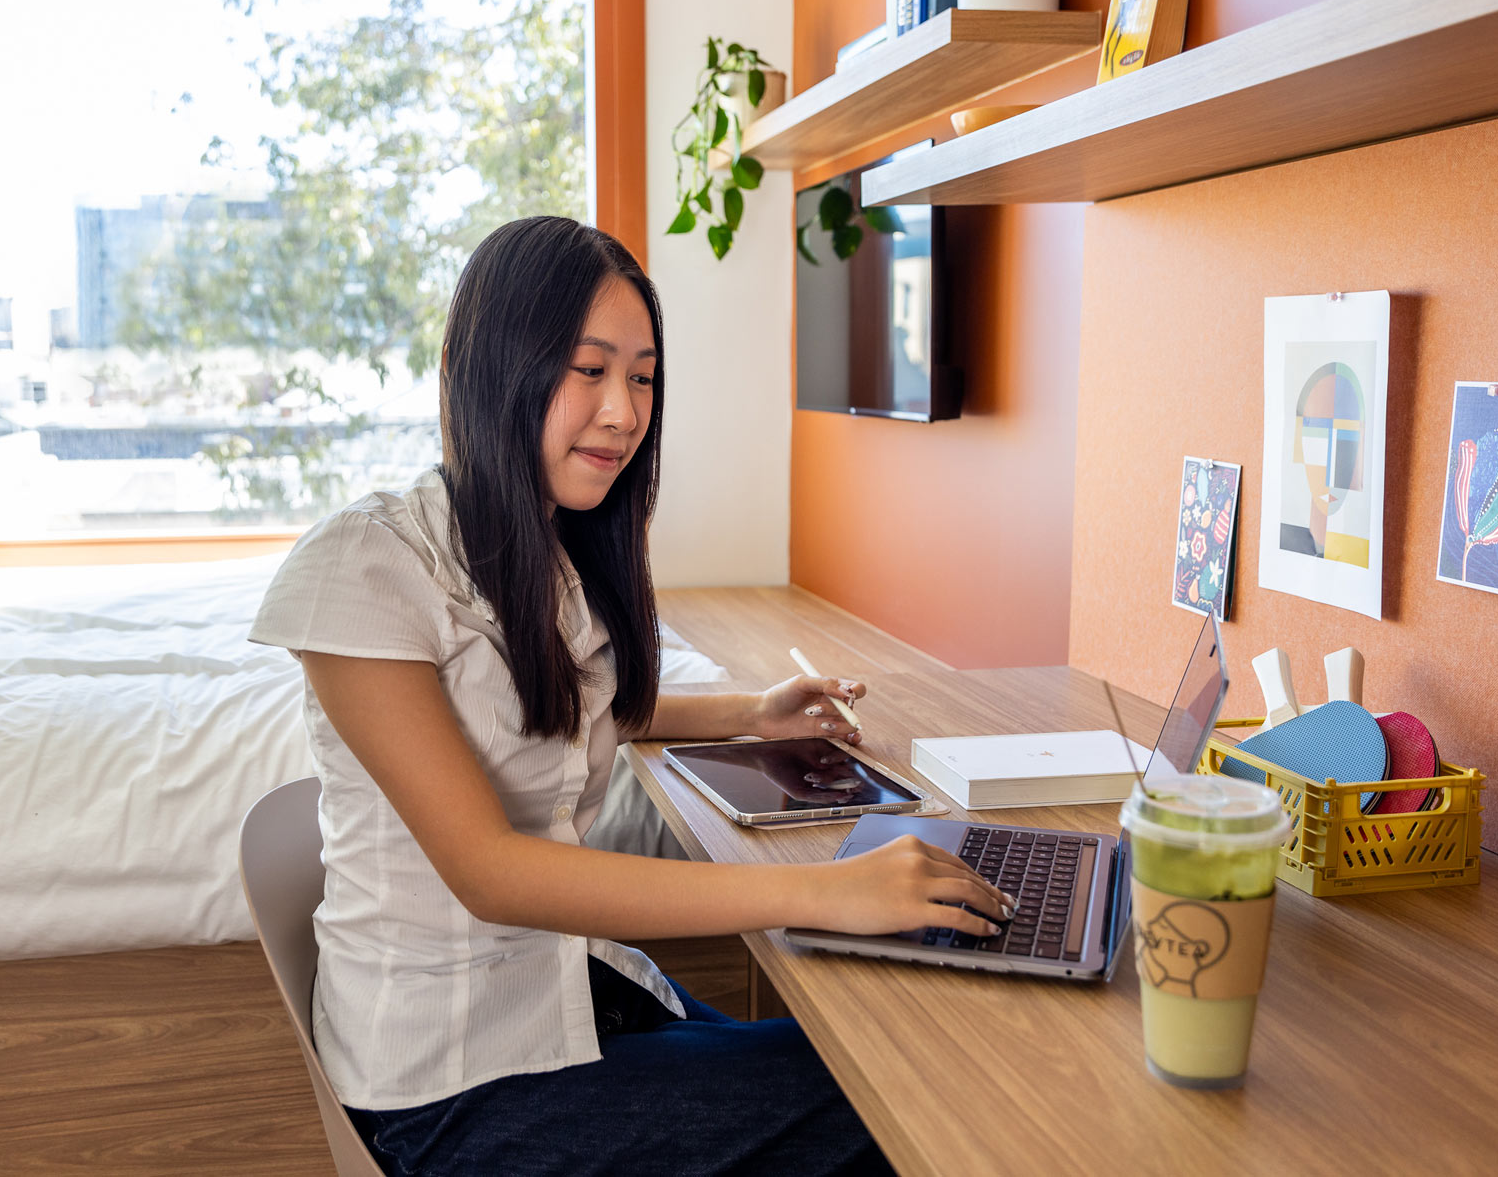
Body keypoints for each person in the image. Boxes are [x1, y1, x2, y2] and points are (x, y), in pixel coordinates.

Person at [251, 216, 1013, 1176]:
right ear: (483, 365)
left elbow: (557, 709)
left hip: (565, 998)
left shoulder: (550, 553)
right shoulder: (366, 567)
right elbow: (492, 870)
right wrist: (826, 890)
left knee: (887, 1025)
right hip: (450, 1092)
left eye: (643, 376)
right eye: (590, 368)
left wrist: (751, 709)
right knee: (897, 1079)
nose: (624, 411)